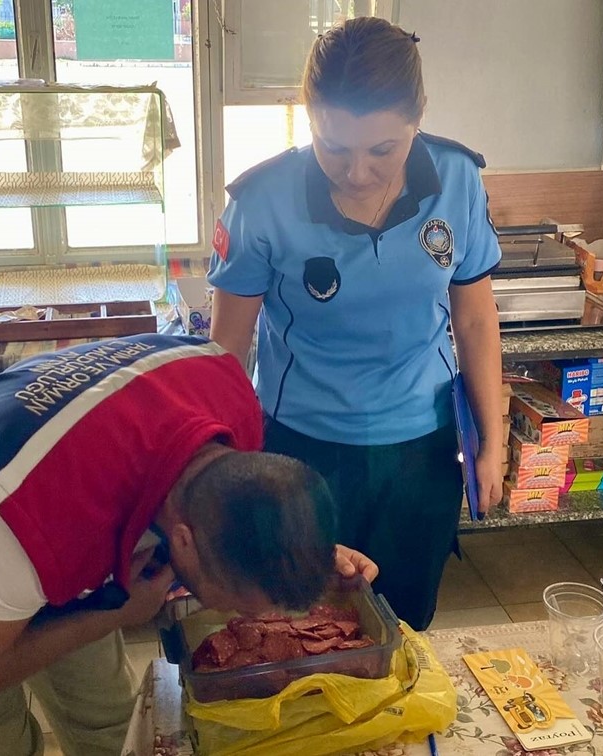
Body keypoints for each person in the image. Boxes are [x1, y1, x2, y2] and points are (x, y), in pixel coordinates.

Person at [0, 334, 377, 755]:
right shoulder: (33, 521)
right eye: (224, 599)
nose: (228, 616)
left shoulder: (229, 398)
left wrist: (302, 546)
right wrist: (113, 616)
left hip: (39, 488)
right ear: (183, 540)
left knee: (106, 716)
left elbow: (249, 503)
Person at [208, 16, 504, 632]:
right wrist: (227, 467)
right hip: (301, 450)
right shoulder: (260, 202)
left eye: (383, 150)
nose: (358, 172)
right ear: (309, 118)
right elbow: (229, 350)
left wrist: (493, 445)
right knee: (302, 624)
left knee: (402, 625)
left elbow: (474, 319)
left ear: (418, 117)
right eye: (334, 148)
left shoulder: (457, 180)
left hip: (421, 449)